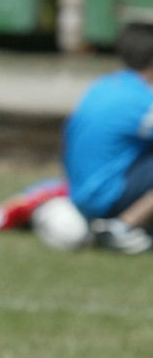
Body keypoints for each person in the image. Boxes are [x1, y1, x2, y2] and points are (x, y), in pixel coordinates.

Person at [63, 22, 153, 255]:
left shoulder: (103, 86)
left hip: (79, 194)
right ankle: (123, 227)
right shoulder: (142, 101)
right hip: (106, 197)